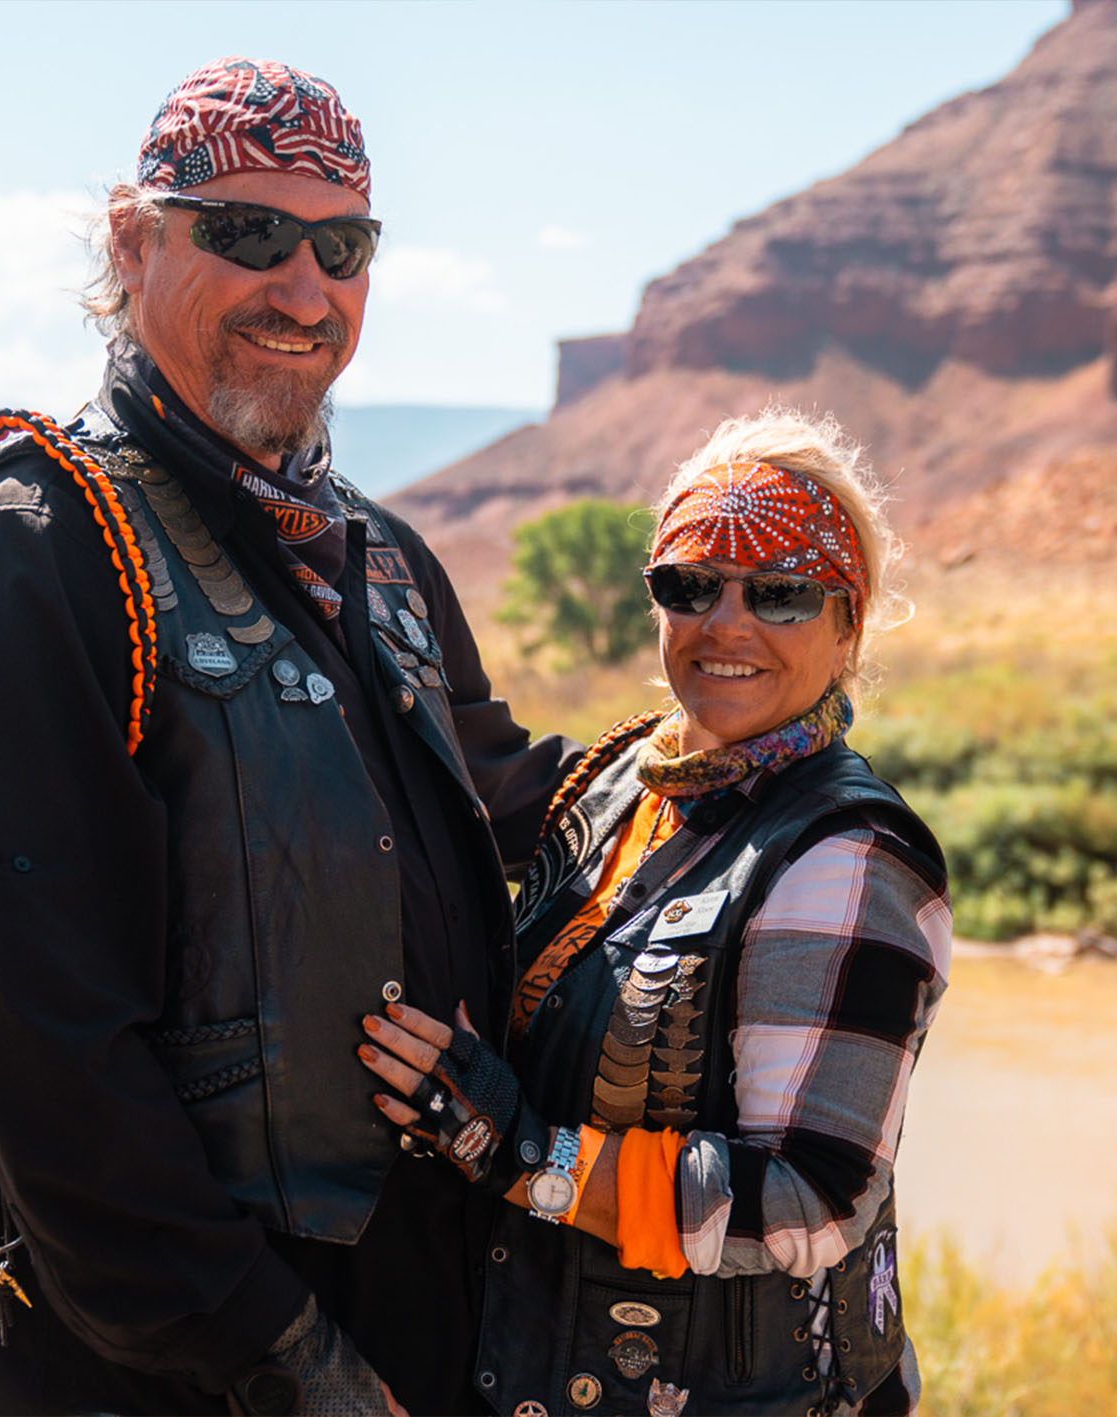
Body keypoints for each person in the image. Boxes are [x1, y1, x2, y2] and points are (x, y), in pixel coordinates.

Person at [0, 57, 572, 1416]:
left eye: (342, 246)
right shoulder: (38, 551)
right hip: (177, 1365)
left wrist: (765, 770)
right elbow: (44, 1049)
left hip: (424, 1321)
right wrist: (281, 1358)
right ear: (135, 245)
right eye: (249, 234)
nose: (303, 289)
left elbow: (523, 808)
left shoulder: (381, 559)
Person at [361, 409, 952, 1417]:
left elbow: (810, 1200)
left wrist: (517, 1149)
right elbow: (462, 767)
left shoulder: (846, 859)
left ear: (849, 623)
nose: (726, 624)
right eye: (688, 586)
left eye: (779, 593)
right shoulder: (625, 779)